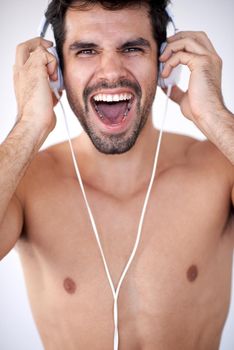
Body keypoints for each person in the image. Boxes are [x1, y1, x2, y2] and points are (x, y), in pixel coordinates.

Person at [0, 0, 233, 349]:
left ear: (164, 65)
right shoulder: (25, 183)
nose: (111, 71)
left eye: (132, 48)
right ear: (57, 71)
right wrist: (28, 126)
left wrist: (216, 117)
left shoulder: (219, 169)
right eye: (87, 51)